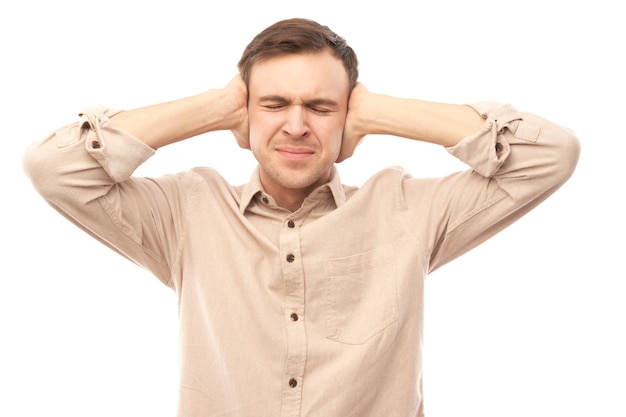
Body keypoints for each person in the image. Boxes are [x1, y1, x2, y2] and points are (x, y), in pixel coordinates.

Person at [23, 17, 580, 417]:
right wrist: (215, 108)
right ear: (244, 114)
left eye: (320, 107)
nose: (295, 126)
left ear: (348, 117)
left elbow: (550, 155)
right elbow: (54, 166)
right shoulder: (185, 213)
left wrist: (380, 111)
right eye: (273, 105)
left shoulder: (407, 209)